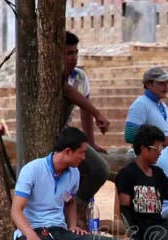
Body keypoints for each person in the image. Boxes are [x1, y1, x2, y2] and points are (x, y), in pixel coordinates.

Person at [61, 31, 113, 204]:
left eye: (75, 52)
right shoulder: (51, 75)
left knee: (99, 170)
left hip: (67, 135)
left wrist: (90, 142)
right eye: (69, 53)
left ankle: (78, 206)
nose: (74, 57)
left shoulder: (80, 77)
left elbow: (85, 112)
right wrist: (98, 113)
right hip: (50, 136)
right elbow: (68, 91)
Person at [124, 66, 168, 146]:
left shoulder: (163, 106)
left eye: (167, 83)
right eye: (161, 83)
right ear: (148, 84)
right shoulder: (141, 104)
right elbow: (130, 135)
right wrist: (160, 141)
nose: (166, 88)